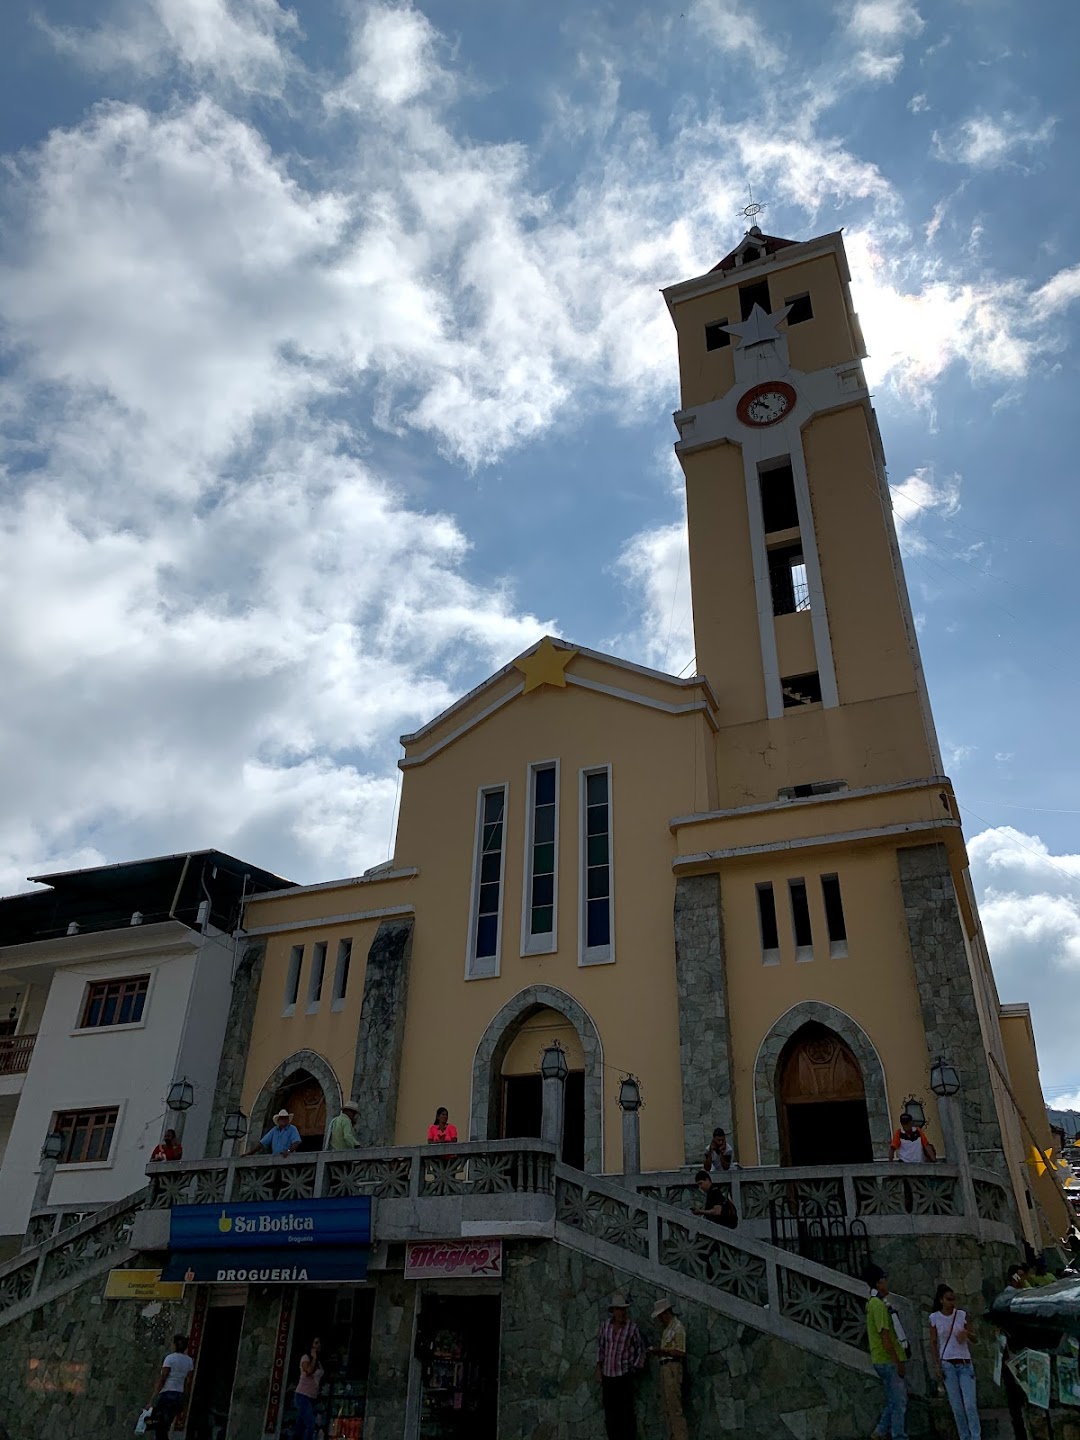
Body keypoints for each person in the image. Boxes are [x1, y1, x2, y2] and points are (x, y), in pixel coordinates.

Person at [929, 1283, 980, 1440]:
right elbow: (933, 1342)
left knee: (970, 1405)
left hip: (964, 1363)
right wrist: (937, 1365)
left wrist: (967, 1334)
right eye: (949, 1299)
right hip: (948, 1364)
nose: (952, 1302)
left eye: (953, 1299)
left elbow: (975, 1338)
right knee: (957, 1407)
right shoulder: (935, 1318)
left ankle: (975, 1436)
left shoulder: (961, 1315)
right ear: (941, 1300)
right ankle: (964, 1436)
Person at [864, 1265, 908, 1440]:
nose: (887, 1282)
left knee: (893, 1400)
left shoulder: (874, 1303)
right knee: (899, 1403)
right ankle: (899, 1436)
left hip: (881, 1359)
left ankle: (880, 1431)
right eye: (884, 1279)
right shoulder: (878, 1306)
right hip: (887, 1360)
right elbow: (885, 1335)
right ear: (878, 1282)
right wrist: (897, 1362)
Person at [595, 1293, 646, 1440]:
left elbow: (641, 1349)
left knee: (626, 1414)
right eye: (618, 1309)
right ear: (613, 1311)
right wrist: (599, 1367)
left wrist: (635, 1367)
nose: (621, 1313)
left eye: (623, 1309)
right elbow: (600, 1346)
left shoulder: (631, 1328)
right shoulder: (606, 1326)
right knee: (610, 1414)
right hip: (608, 1375)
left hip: (623, 1376)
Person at [649, 1298, 688, 1440]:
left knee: (674, 1407)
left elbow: (681, 1351)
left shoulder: (678, 1328)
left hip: (673, 1367)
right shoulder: (667, 1330)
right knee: (667, 1408)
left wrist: (663, 1351)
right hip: (665, 1367)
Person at [146, 1334, 194, 1440]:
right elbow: (187, 1382)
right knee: (164, 1424)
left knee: (156, 1423)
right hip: (179, 1395)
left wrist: (153, 1398)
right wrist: (185, 1401)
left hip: (167, 1394)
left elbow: (163, 1378)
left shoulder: (170, 1358)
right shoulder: (189, 1361)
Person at [292, 1336, 323, 1440]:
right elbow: (309, 1371)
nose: (318, 1345)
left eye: (319, 1343)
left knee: (300, 1427)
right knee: (310, 1424)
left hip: (311, 1397)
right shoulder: (306, 1358)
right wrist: (313, 1357)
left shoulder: (319, 1363)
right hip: (302, 1396)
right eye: (316, 1343)